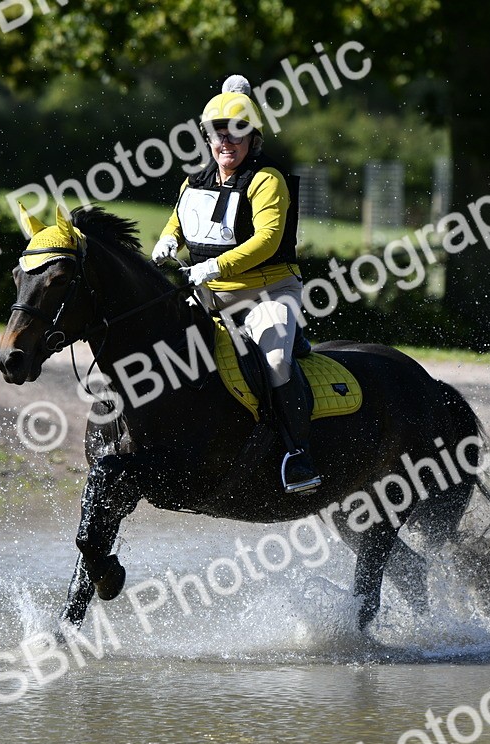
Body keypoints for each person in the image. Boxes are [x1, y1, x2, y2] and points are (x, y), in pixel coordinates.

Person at [152, 75, 321, 494]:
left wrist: (217, 267)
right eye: (217, 133)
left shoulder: (267, 181)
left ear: (252, 138)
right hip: (210, 295)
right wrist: (168, 237)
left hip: (268, 291)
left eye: (236, 133)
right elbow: (181, 218)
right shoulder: (194, 181)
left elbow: (268, 240)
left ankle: (297, 455)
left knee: (277, 360)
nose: (226, 141)